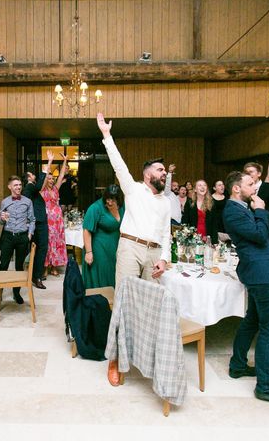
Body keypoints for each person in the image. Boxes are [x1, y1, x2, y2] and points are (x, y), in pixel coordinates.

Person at [98, 112, 171, 387]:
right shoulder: (133, 189)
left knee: (148, 307)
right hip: (129, 248)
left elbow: (167, 235)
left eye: (165, 171)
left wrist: (164, 259)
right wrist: (107, 135)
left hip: (153, 254)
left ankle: (140, 355)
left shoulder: (166, 202)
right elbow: (118, 165)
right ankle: (115, 360)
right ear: (147, 173)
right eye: (159, 170)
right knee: (124, 304)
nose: (164, 173)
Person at [223, 171, 269, 405]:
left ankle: (237, 365)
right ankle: (266, 387)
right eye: (250, 183)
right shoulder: (233, 211)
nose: (254, 187)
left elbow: (261, 233)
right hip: (262, 274)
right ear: (236, 189)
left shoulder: (242, 208)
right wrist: (261, 210)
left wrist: (258, 211)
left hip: (261, 271)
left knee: (252, 321)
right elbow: (258, 235)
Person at [0, 175, 35, 306]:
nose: (19, 187)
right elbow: (0, 221)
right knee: (3, 265)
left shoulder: (27, 201)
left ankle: (16, 293)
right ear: (10, 187)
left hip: (22, 237)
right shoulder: (5, 202)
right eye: (16, 185)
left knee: (20, 266)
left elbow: (32, 220)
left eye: (20, 185)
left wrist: (30, 233)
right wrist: (2, 218)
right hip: (8, 236)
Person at [82, 184, 124, 289]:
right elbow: (87, 230)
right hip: (99, 249)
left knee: (113, 275)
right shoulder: (96, 207)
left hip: (115, 248)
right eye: (107, 199)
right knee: (101, 278)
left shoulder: (123, 207)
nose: (109, 202)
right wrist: (88, 252)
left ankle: (112, 302)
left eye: (113, 200)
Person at [22, 156, 52, 289]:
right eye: (32, 174)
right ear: (28, 178)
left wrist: (49, 162)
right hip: (37, 223)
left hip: (39, 222)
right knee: (40, 249)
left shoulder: (31, 189)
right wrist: (45, 169)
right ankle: (35, 276)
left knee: (40, 249)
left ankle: (35, 275)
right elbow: (40, 185)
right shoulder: (29, 187)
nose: (34, 175)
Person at [41, 154, 69, 277]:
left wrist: (65, 161)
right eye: (49, 178)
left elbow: (62, 175)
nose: (52, 181)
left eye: (53, 179)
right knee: (47, 242)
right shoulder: (42, 190)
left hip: (58, 220)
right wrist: (49, 161)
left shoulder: (56, 189)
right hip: (47, 220)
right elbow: (44, 175)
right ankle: (45, 267)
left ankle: (54, 266)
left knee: (57, 242)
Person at [243, 161, 269, 231]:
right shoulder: (243, 189)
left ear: (259, 174)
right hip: (246, 230)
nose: (249, 174)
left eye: (251, 172)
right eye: (246, 173)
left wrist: (268, 228)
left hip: (264, 229)